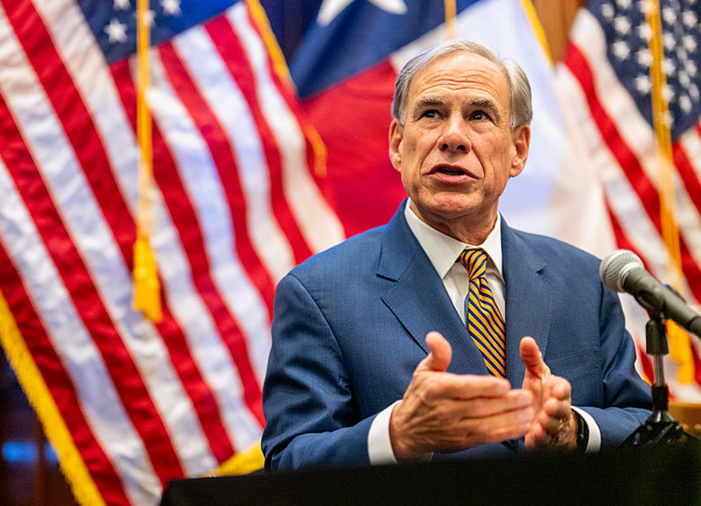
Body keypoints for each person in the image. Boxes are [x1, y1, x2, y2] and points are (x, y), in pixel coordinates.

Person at [261, 39, 653, 470]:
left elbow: (644, 425)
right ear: (397, 143)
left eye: (479, 116)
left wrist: (574, 431)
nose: (452, 137)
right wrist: (397, 435)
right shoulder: (318, 295)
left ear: (518, 150)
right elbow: (288, 461)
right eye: (431, 113)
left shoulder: (585, 282)